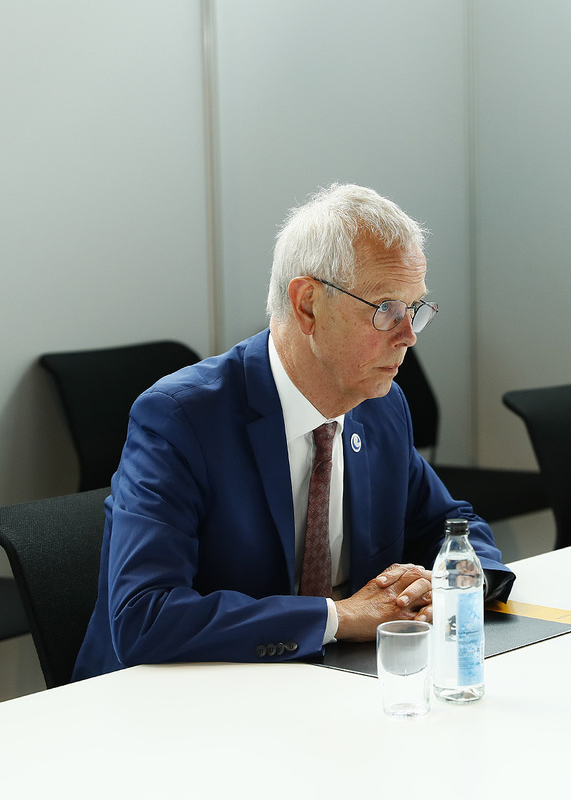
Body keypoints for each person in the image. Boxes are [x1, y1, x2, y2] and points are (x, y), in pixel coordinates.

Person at [72, 183, 513, 680]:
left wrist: (455, 586)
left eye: (415, 309)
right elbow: (145, 616)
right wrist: (340, 618)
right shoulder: (181, 419)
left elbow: (451, 525)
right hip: (175, 701)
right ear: (307, 305)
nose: (408, 335)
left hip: (328, 684)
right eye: (386, 308)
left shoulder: (380, 406)